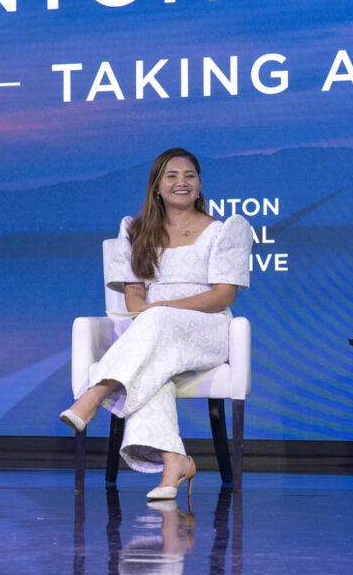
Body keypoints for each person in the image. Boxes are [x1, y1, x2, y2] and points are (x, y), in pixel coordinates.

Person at [60, 148, 253, 500]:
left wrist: (163, 307)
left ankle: (96, 391)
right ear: (157, 187)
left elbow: (224, 296)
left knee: (156, 323)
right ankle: (174, 461)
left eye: (190, 175)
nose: (182, 182)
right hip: (154, 332)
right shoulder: (135, 232)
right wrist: (155, 312)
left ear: (199, 185)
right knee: (154, 368)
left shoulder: (224, 231)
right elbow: (134, 300)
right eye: (172, 176)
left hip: (206, 330)